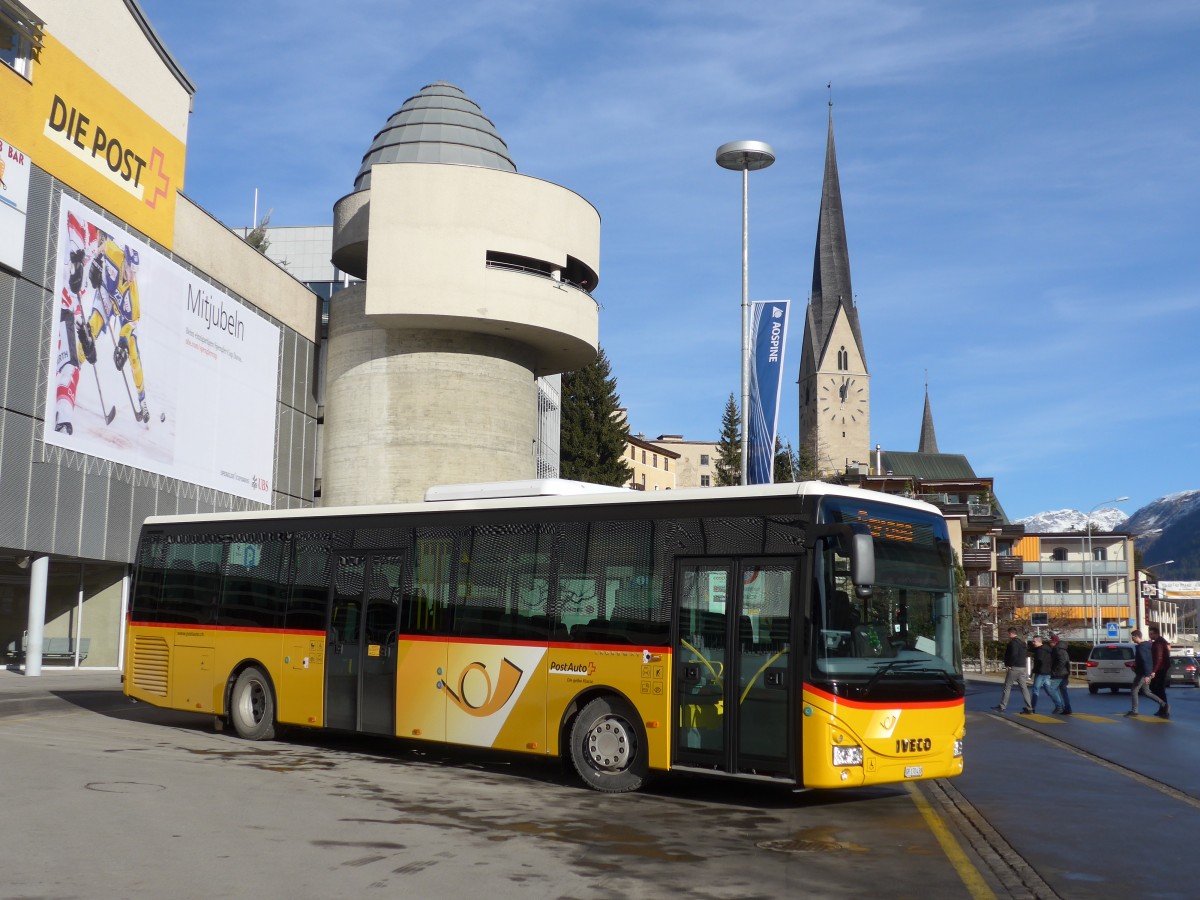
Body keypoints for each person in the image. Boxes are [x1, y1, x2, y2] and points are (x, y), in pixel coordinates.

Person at [1127, 629, 1167, 718]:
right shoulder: (1146, 646)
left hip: (1142, 674)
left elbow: (1145, 661)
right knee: (1146, 692)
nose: (1132, 639)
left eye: (1132, 637)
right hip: (1144, 672)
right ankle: (1164, 704)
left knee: (1134, 690)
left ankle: (1134, 711)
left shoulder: (1141, 647)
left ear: (1136, 637)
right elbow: (1146, 661)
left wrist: (1146, 675)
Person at [993, 627, 1033, 714]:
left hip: (1014, 667)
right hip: (1022, 667)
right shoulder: (1022, 643)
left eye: (1008, 634)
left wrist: (1009, 664)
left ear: (1011, 633)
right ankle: (1029, 708)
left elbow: (1013, 655)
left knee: (1007, 687)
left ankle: (1002, 706)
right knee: (1024, 688)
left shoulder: (1013, 643)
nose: (1008, 636)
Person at [1030, 635, 1063, 714]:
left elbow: (1039, 662)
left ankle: (1031, 707)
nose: (1033, 643)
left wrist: (1033, 671)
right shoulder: (1048, 649)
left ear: (1039, 641)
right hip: (1047, 673)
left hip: (1041, 673)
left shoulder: (1040, 650)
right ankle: (1059, 706)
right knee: (1050, 690)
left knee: (1035, 689)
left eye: (1034, 641)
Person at [1149, 626, 1171, 718]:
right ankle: (1163, 707)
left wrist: (1154, 671)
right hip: (1162, 668)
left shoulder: (1158, 643)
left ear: (1156, 633)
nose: (1150, 636)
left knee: (1157, 688)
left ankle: (1164, 707)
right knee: (1158, 689)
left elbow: (1159, 659)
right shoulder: (1160, 642)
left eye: (1151, 634)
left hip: (1160, 669)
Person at [1050, 633, 1072, 715]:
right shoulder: (1064, 650)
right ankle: (1067, 708)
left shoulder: (1057, 649)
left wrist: (1055, 671)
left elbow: (1061, 662)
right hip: (1064, 673)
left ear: (1054, 642)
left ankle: (1059, 706)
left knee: (1051, 689)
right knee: (1064, 692)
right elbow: (1067, 663)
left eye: (1051, 641)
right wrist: (1068, 673)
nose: (1050, 643)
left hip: (1059, 674)